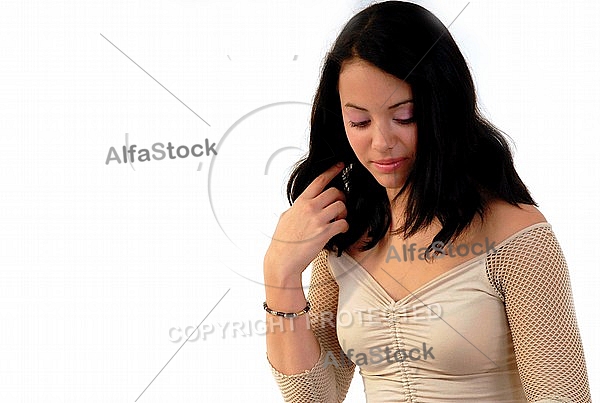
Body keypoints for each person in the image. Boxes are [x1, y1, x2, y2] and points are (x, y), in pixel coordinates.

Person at [262, 1, 591, 401]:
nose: (381, 142)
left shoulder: (516, 238)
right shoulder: (345, 237)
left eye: (405, 116)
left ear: (443, 109)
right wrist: (280, 272)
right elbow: (314, 397)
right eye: (360, 121)